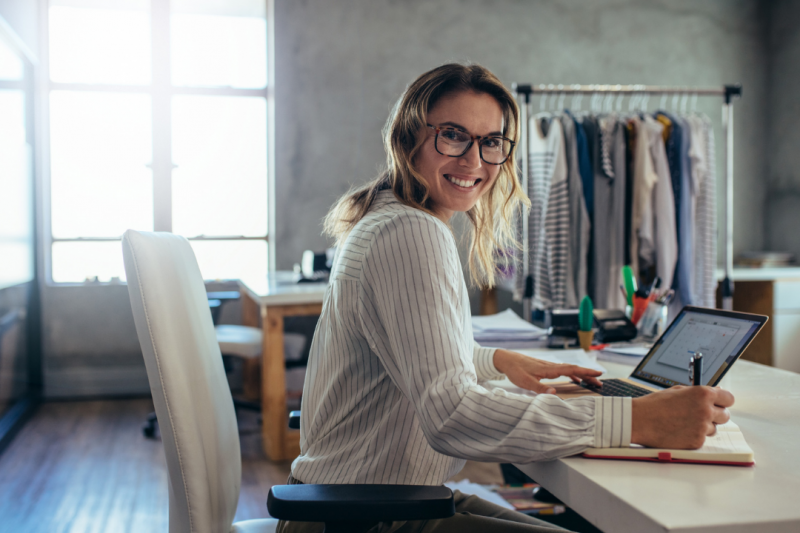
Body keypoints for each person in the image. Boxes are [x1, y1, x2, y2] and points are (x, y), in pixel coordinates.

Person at [277, 63, 734, 533]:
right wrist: (636, 418)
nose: (474, 160)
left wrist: (494, 361)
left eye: (490, 141)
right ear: (408, 137)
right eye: (453, 135)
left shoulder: (389, 217)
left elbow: (407, 355)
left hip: (373, 504)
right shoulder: (410, 232)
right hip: (369, 519)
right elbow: (451, 416)